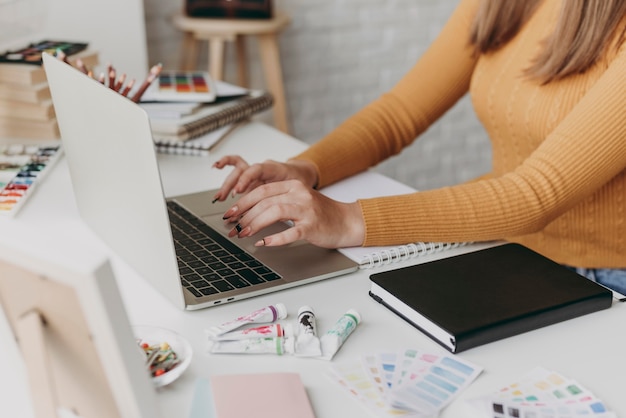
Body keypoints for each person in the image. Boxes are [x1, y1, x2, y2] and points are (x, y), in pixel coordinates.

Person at [212, 0, 626, 294]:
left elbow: (537, 194)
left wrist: (347, 219)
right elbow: (400, 113)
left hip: (608, 276)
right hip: (513, 247)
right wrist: (307, 168)